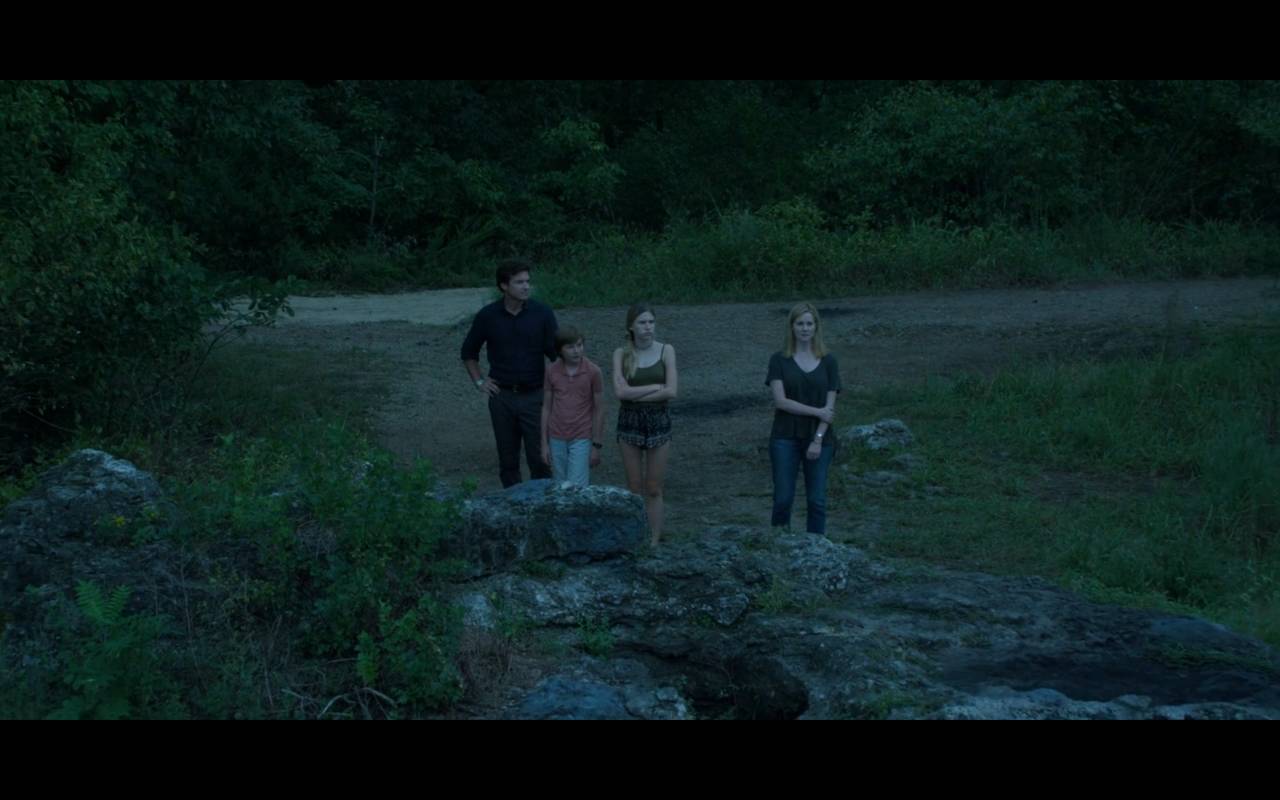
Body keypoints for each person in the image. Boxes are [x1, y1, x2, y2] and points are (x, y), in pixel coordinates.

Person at [460, 259, 558, 487]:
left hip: (535, 396)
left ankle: (543, 503)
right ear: (504, 286)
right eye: (519, 282)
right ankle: (512, 505)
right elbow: (468, 353)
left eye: (528, 281)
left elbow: (556, 354)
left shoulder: (542, 314)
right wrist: (480, 382)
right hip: (501, 396)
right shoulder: (488, 316)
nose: (526, 286)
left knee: (540, 458)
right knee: (508, 460)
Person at [766, 302, 840, 535]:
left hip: (819, 438)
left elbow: (830, 408)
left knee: (816, 500)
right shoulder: (779, 360)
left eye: (809, 323)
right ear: (792, 327)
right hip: (784, 437)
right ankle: (779, 543)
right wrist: (817, 412)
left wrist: (817, 439)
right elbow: (781, 401)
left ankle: (815, 548)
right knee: (783, 498)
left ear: (816, 326)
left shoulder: (829, 361)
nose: (805, 328)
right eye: (800, 324)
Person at [612, 304, 678, 545]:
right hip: (629, 422)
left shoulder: (666, 350)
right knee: (634, 486)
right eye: (642, 322)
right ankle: (635, 535)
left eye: (651, 322)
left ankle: (654, 539)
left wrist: (635, 394)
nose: (648, 327)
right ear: (631, 326)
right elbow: (620, 393)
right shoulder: (621, 354)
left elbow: (671, 391)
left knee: (653, 487)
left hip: (658, 421)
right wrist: (654, 387)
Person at [540, 325, 605, 486]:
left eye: (579, 345)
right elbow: (546, 408)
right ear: (560, 350)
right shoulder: (551, 371)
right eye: (570, 347)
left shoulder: (593, 372)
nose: (576, 350)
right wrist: (544, 444)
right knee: (560, 486)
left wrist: (596, 445)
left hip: (581, 436)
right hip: (556, 436)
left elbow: (599, 410)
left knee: (576, 487)